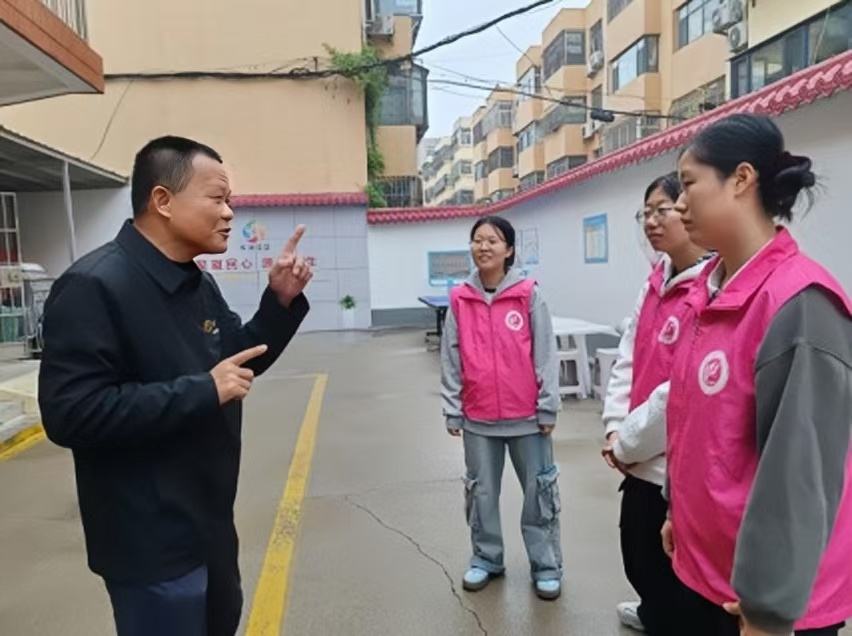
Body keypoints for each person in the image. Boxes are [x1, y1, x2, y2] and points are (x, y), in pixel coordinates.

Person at [38, 136, 313, 636]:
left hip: (210, 525)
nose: (229, 212)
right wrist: (202, 391)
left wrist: (280, 302)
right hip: (149, 543)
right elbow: (71, 413)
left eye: (230, 200)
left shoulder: (195, 282)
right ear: (162, 201)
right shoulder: (93, 286)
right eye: (217, 198)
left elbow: (236, 362)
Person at [662, 113, 852, 636]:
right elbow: (693, 423)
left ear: (741, 179)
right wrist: (678, 511)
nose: (679, 205)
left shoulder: (800, 304)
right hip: (714, 570)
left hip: (768, 603)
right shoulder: (709, 289)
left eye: (688, 184)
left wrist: (769, 610)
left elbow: (799, 473)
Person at [601, 173, 711, 634]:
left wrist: (626, 444)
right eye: (645, 213)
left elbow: (678, 392)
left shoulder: (711, 287)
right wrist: (614, 426)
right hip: (636, 453)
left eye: (662, 209)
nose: (651, 221)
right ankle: (653, 612)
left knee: (677, 572)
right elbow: (628, 357)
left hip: (674, 463)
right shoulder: (653, 284)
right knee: (639, 556)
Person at [440, 215, 563, 600]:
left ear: (508, 249)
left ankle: (546, 565)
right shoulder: (461, 299)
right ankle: (486, 558)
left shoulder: (528, 294)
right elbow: (451, 357)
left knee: (539, 493)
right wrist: (453, 407)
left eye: (492, 240)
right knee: (481, 493)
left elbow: (545, 351)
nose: (483, 247)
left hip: (528, 418)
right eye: (477, 240)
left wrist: (548, 406)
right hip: (478, 419)